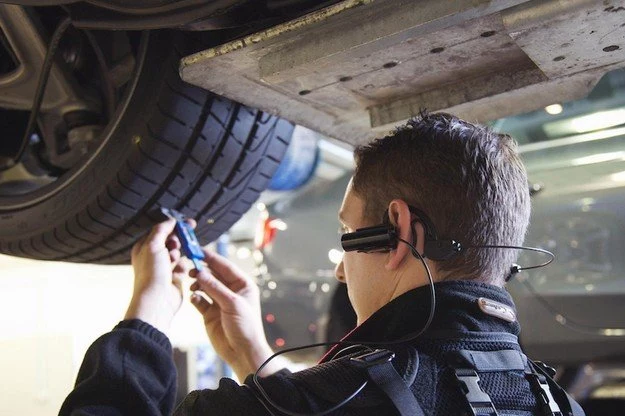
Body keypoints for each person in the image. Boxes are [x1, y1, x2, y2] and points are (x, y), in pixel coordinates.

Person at [60, 112, 583, 415]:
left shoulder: (332, 403)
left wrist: (145, 321)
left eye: (346, 236)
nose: (339, 270)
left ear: (398, 231)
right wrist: (254, 356)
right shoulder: (556, 404)